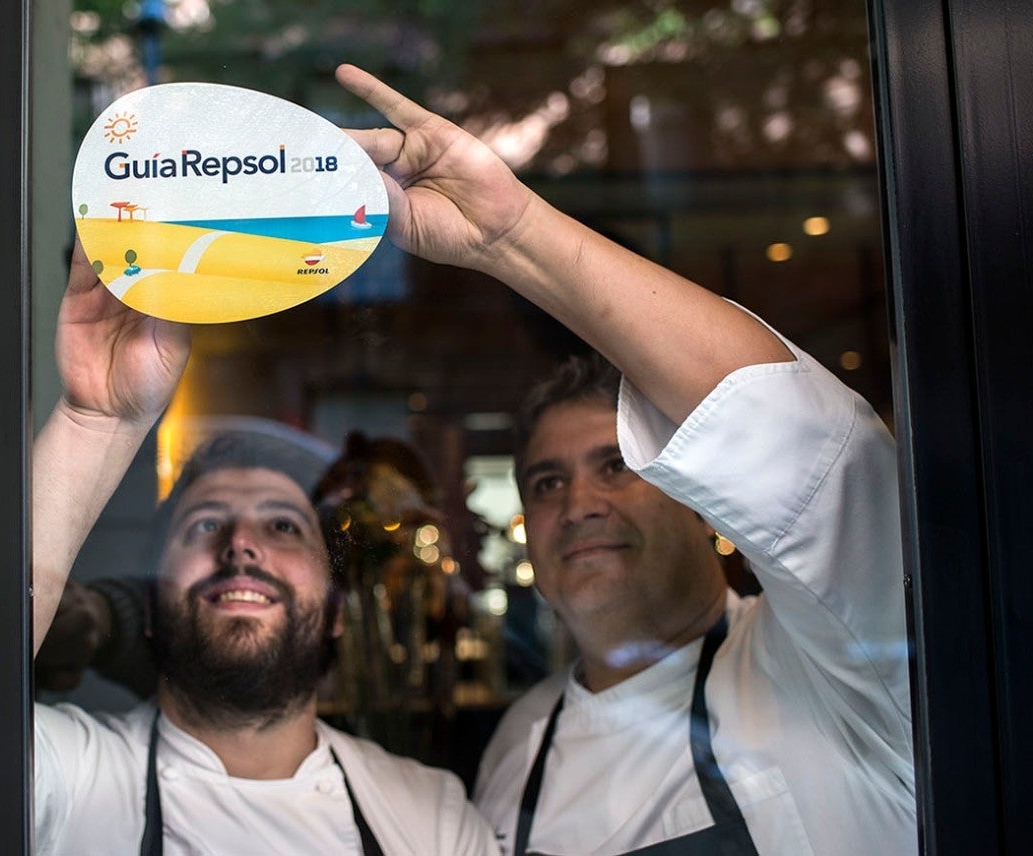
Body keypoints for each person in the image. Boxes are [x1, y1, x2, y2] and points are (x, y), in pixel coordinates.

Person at [334, 65, 914, 854]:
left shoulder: (826, 667)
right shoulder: (519, 744)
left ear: (698, 490)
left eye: (617, 466)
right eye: (547, 482)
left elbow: (816, 460)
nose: (580, 504)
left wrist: (513, 237)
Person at [30, 246, 498, 854]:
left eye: (282, 527)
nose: (241, 546)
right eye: (203, 525)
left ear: (335, 614)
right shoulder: (66, 779)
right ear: (147, 603)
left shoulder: (429, 817)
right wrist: (94, 419)